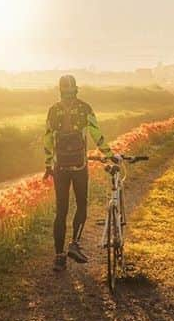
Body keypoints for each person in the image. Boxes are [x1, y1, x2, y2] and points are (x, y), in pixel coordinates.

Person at [43, 74, 118, 272]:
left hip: (60, 168)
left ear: (59, 90)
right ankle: (74, 244)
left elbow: (47, 140)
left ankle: (59, 258)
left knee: (61, 211)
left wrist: (47, 165)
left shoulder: (53, 110)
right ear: (76, 89)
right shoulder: (85, 108)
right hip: (79, 166)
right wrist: (109, 155)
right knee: (82, 205)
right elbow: (96, 134)